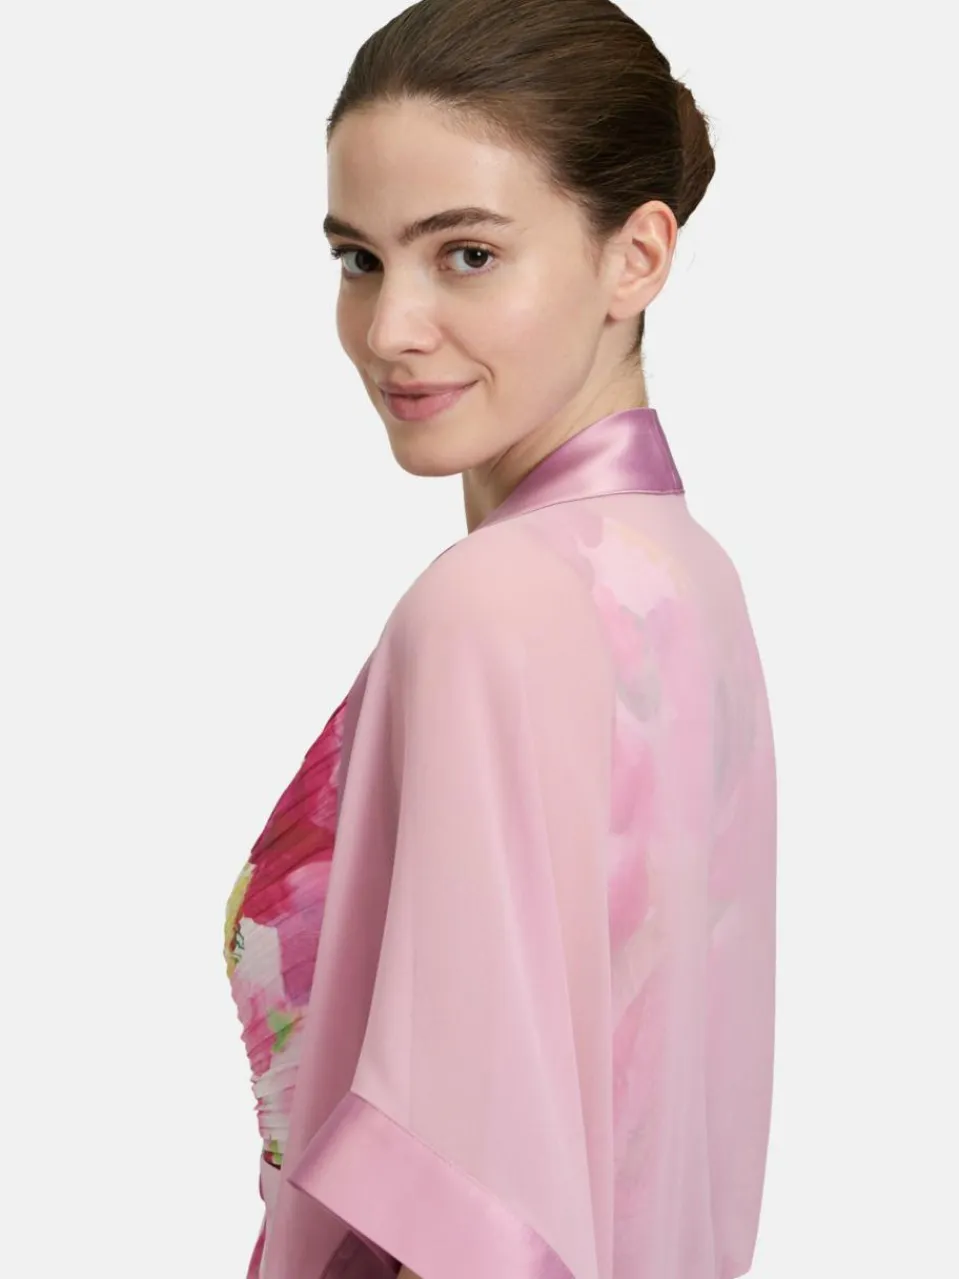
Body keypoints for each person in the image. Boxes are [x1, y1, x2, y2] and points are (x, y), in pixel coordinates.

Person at [222, 1, 777, 1276]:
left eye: (465, 254)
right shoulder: (686, 578)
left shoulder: (485, 605)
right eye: (359, 260)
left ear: (635, 257)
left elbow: (468, 1206)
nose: (389, 330)